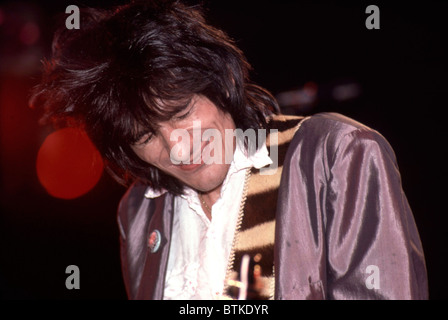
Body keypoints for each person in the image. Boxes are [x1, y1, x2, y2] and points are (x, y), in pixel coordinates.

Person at [30, 0, 428, 299]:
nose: (178, 148)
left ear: (216, 83)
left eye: (182, 112)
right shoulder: (138, 211)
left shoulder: (334, 154)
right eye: (145, 137)